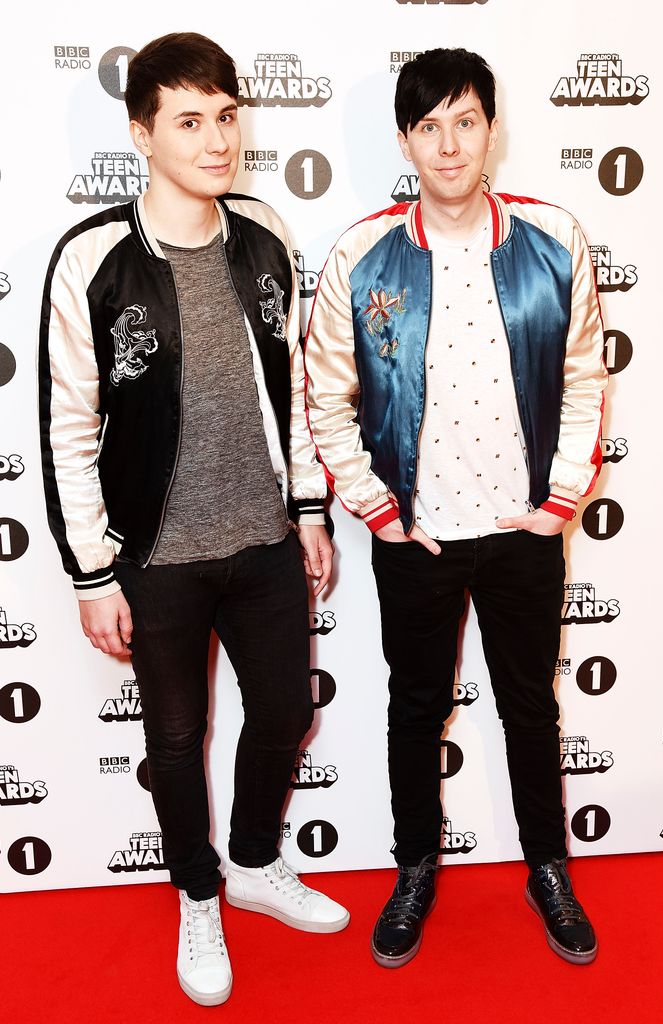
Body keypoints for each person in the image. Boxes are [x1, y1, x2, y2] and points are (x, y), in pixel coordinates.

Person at [39, 31, 348, 1008]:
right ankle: (199, 893)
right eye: (189, 121)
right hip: (157, 556)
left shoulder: (264, 232)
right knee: (175, 742)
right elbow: (67, 423)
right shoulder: (91, 257)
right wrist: (92, 571)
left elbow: (297, 386)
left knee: (288, 711)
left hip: (261, 541)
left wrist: (308, 509)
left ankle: (254, 862)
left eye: (225, 117)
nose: (216, 140)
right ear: (141, 133)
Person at [305, 47, 606, 968]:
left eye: (464, 121)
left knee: (529, 709)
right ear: (405, 139)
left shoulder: (555, 239)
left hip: (522, 532)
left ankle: (547, 866)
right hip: (419, 537)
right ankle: (413, 867)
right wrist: (380, 513)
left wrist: (557, 504)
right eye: (428, 126)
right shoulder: (362, 255)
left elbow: (586, 379)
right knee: (414, 709)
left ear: (492, 129)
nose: (448, 144)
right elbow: (325, 398)